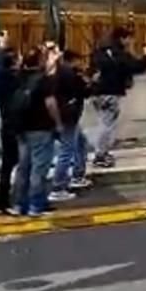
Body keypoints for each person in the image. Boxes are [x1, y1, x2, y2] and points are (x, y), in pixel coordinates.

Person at [14, 43, 65, 216]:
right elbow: (50, 103)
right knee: (39, 168)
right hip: (41, 128)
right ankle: (37, 204)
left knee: (23, 168)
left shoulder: (19, 76)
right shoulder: (43, 80)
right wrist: (58, 123)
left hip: (21, 127)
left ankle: (20, 204)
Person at [89, 27, 146, 168]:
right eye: (129, 38)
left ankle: (102, 152)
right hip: (111, 93)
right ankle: (100, 155)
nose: (130, 42)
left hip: (97, 92)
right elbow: (137, 67)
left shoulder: (101, 51)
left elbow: (93, 69)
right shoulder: (120, 54)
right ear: (122, 38)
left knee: (103, 122)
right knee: (107, 125)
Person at [49, 50, 92, 202]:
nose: (81, 64)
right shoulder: (71, 75)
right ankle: (58, 186)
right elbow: (85, 91)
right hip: (68, 117)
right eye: (79, 60)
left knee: (80, 143)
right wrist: (87, 81)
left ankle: (77, 175)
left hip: (63, 116)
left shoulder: (57, 72)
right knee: (67, 151)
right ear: (73, 60)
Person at [0, 48, 22, 214]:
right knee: (16, 163)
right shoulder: (13, 80)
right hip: (14, 124)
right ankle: (9, 201)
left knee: (7, 164)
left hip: (6, 123)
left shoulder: (0, 77)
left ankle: (2, 200)